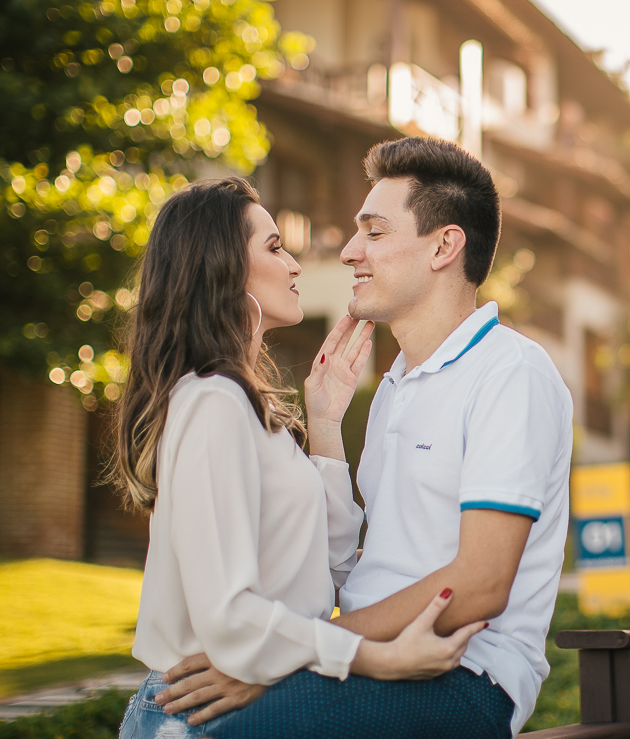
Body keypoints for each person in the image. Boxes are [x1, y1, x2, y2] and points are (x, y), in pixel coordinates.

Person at [158, 137, 574, 738]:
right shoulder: (393, 388)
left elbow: (481, 584)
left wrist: (293, 655)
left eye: (374, 232)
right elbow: (357, 570)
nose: (350, 251)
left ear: (444, 246)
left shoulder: (511, 373)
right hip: (364, 664)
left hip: (463, 676)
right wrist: (325, 426)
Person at [111, 176, 485, 739]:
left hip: (250, 709)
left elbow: (328, 567)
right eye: (274, 247)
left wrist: (326, 423)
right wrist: (375, 657)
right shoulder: (212, 402)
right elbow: (227, 616)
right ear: (222, 268)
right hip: (196, 714)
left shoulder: (246, 407)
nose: (293, 265)